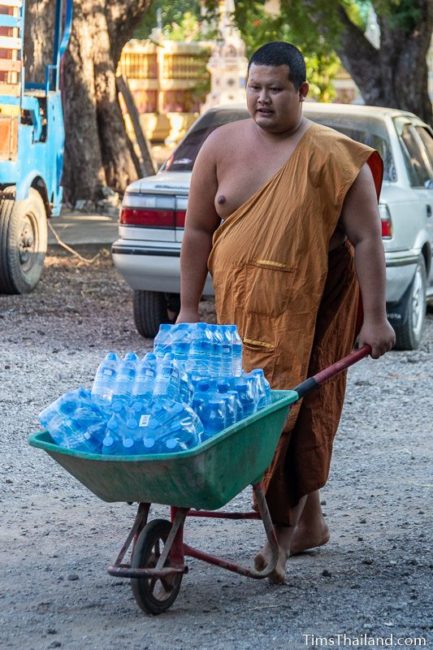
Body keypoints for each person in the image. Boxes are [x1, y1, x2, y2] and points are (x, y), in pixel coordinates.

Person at [177, 41, 396, 583]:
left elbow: (367, 240)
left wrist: (376, 318)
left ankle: (286, 527)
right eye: (254, 87)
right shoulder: (220, 145)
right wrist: (186, 309)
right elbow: (198, 230)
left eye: (276, 88)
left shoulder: (333, 156)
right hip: (238, 311)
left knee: (290, 413)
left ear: (301, 91)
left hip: (307, 307)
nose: (262, 98)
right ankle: (309, 523)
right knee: (250, 408)